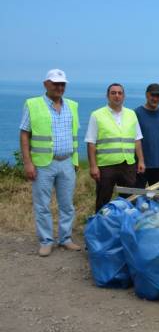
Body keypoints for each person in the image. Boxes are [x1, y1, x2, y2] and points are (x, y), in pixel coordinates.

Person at [19, 69, 81, 257]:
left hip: (67, 162)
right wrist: (28, 163)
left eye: (62, 84)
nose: (59, 87)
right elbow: (24, 134)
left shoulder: (72, 105)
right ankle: (46, 241)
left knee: (67, 204)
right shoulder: (33, 104)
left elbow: (74, 135)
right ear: (46, 84)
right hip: (43, 164)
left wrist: (75, 161)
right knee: (42, 205)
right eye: (55, 83)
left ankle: (65, 239)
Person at [86, 83, 145, 212]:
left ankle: (124, 227)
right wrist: (93, 166)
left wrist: (140, 160)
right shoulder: (97, 115)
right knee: (103, 199)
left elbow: (137, 139)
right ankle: (100, 227)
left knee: (129, 200)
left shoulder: (131, 114)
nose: (117, 96)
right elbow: (91, 143)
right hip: (106, 166)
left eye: (119, 93)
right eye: (113, 93)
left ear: (124, 96)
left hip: (128, 164)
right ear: (108, 96)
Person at [134, 83, 159, 188]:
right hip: (141, 164)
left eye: (158, 96)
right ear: (147, 95)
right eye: (153, 95)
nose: (155, 98)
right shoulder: (136, 113)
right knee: (137, 197)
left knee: (158, 197)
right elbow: (133, 139)